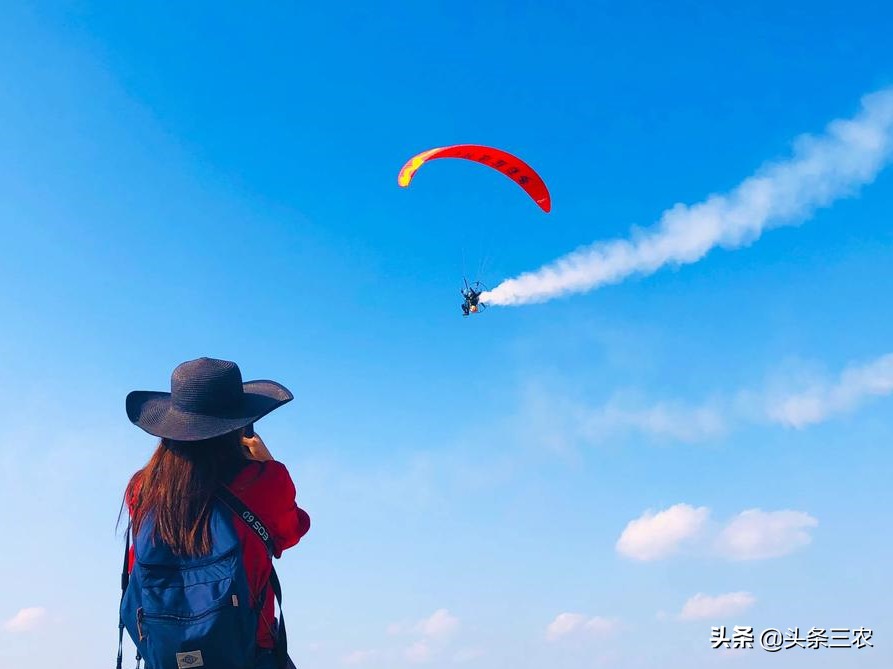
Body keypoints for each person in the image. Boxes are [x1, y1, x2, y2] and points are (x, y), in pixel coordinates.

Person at [119, 357, 310, 669]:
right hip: (249, 655)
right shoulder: (264, 480)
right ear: (239, 424)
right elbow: (288, 534)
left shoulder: (142, 488)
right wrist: (268, 464)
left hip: (167, 658)